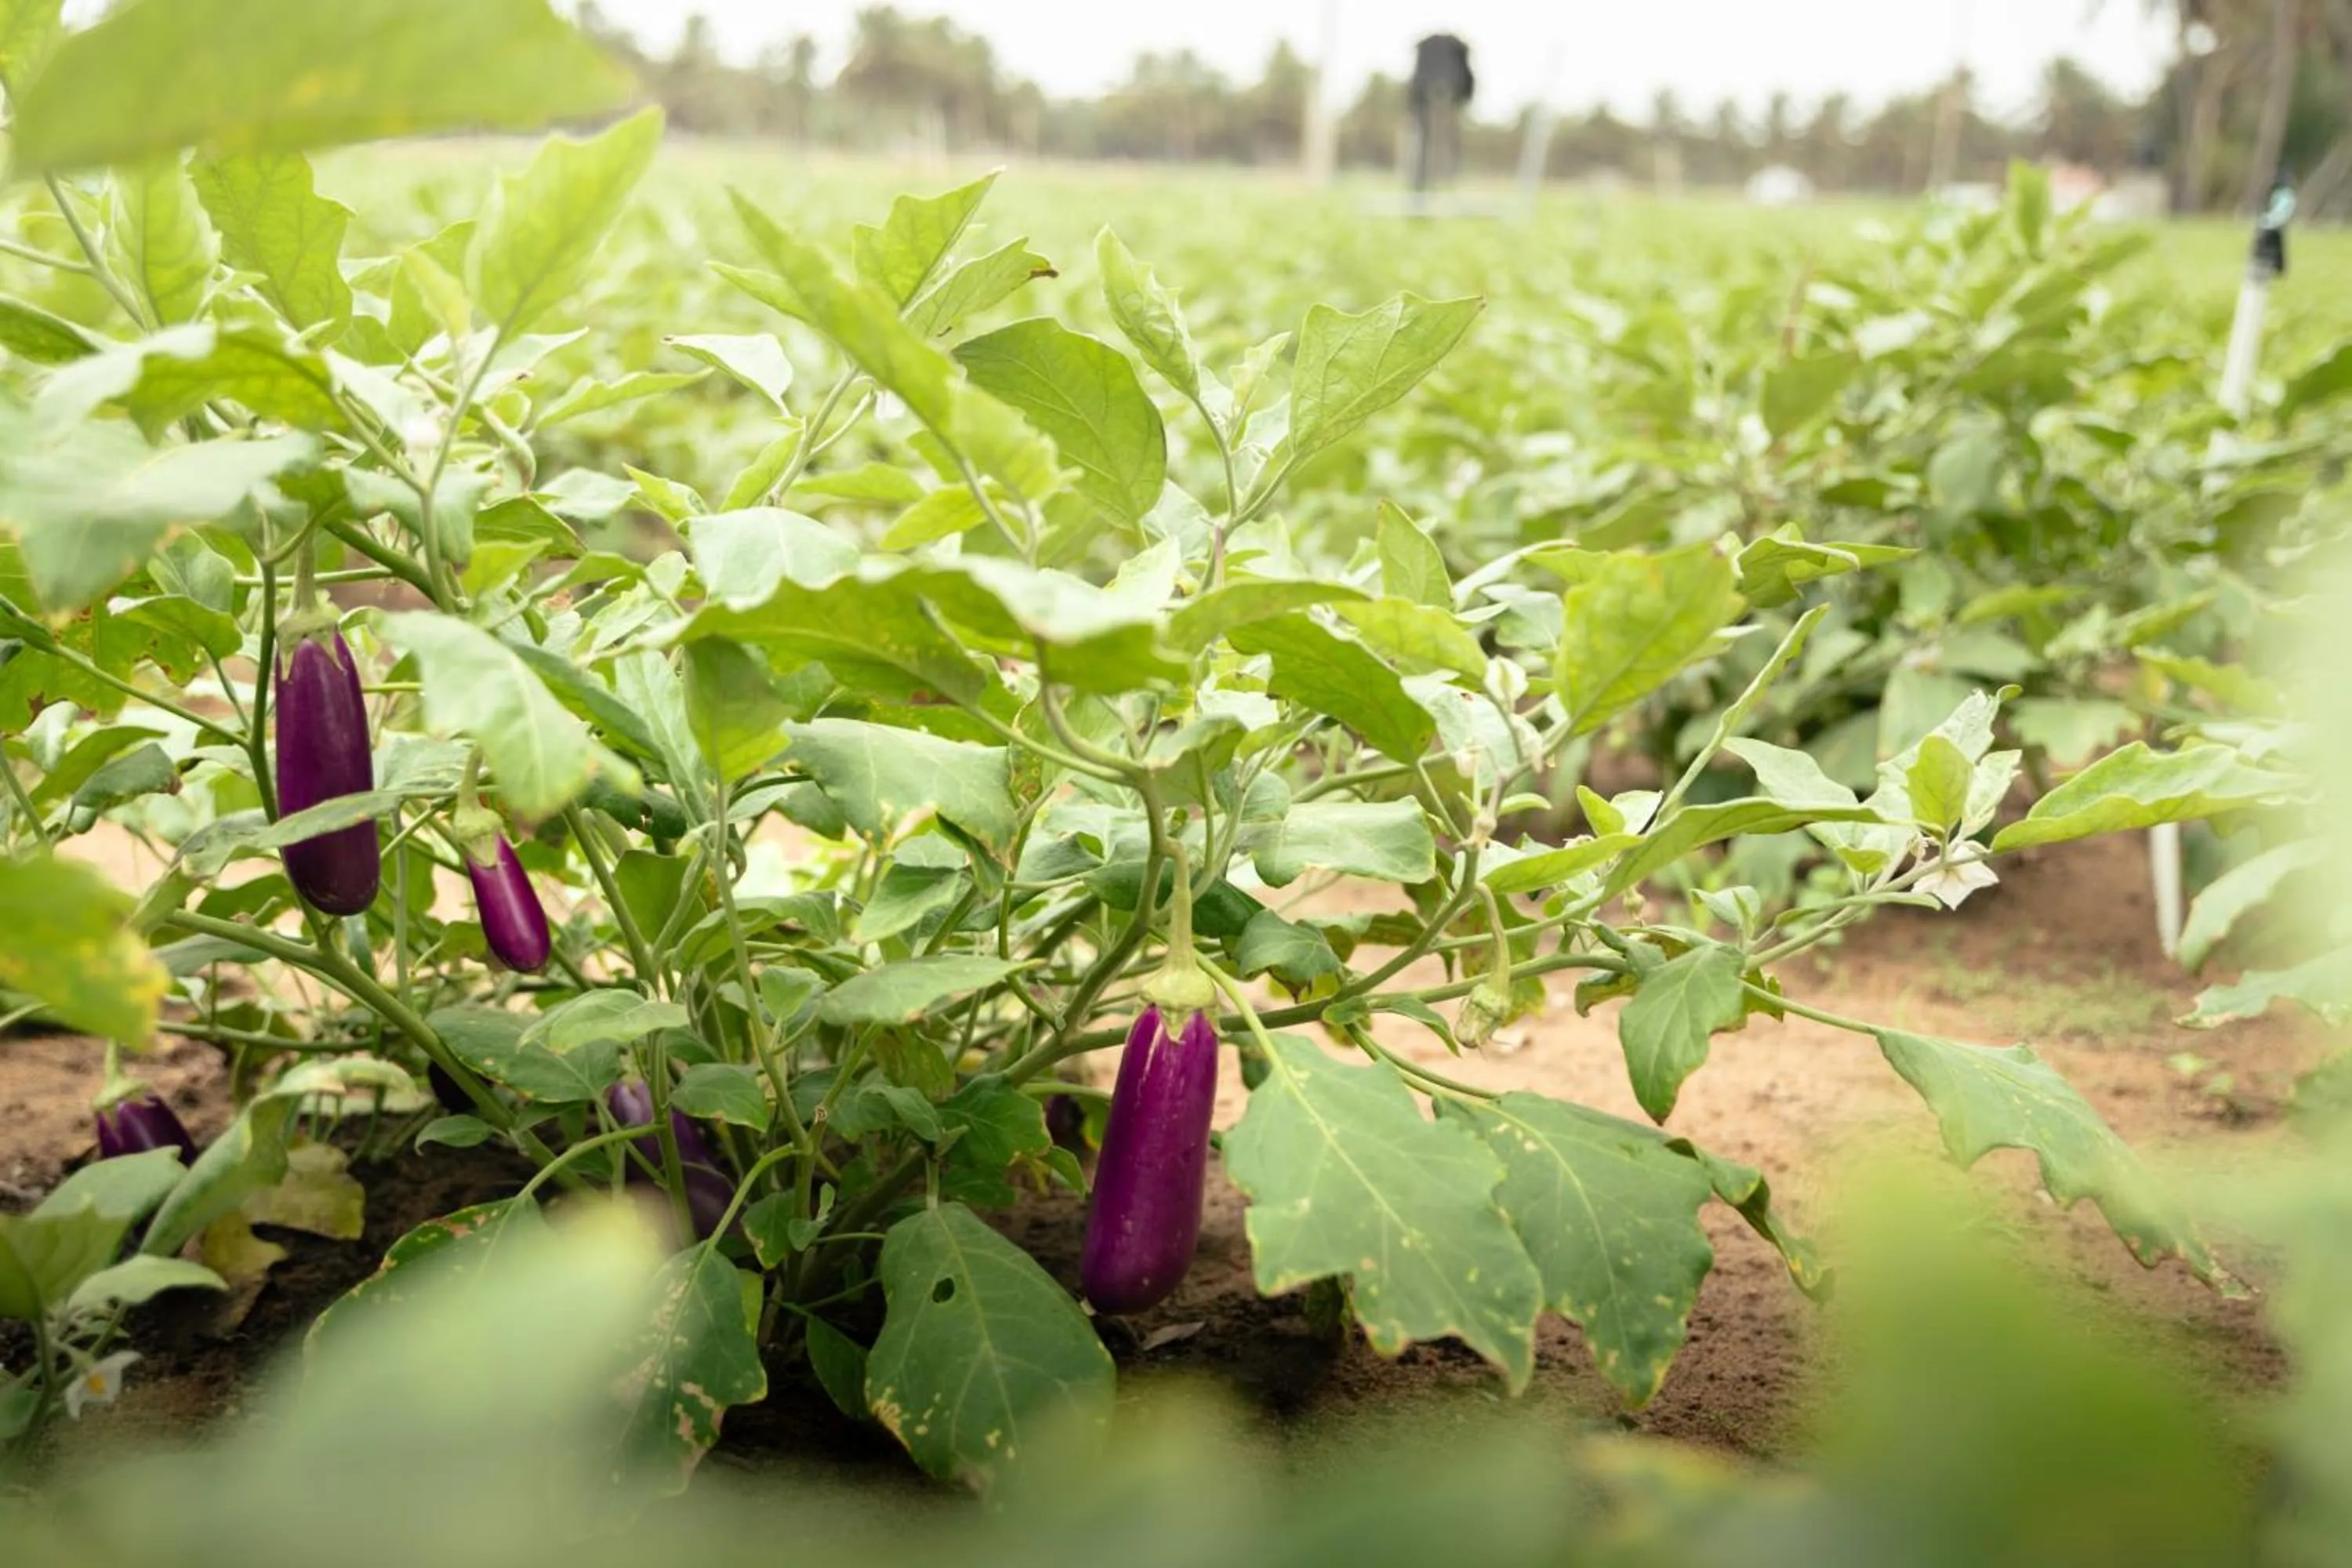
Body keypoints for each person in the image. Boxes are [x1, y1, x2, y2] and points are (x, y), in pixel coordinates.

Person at [1407, 33, 1474, 194]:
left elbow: (1467, 77)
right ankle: (1423, 186)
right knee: (1425, 142)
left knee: (1447, 142)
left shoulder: (1457, 51)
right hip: (1426, 97)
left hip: (1451, 95)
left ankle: (1447, 185)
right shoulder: (1428, 51)